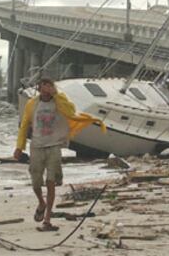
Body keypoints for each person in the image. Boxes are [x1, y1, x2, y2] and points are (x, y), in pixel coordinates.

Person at [13, 78, 106, 232]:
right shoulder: (32, 104)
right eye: (44, 85)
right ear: (39, 88)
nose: (47, 88)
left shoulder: (59, 101)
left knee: (51, 181)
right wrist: (19, 147)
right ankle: (41, 203)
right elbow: (24, 125)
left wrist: (57, 95)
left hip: (54, 146)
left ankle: (47, 220)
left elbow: (70, 111)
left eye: (50, 85)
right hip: (36, 146)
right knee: (36, 182)